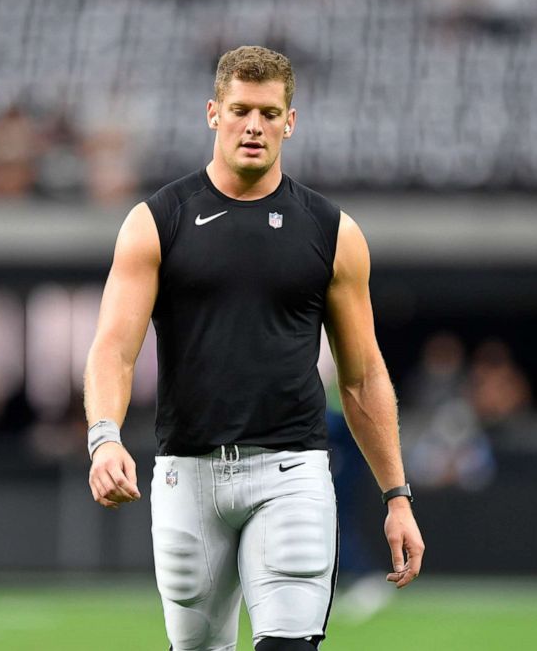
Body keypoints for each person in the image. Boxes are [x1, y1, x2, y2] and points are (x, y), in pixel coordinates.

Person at [84, 46, 424, 651]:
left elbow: (363, 375)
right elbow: (113, 347)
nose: (253, 126)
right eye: (240, 110)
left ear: (290, 121)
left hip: (290, 472)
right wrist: (104, 436)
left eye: (269, 113)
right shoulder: (157, 221)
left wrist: (397, 496)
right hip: (187, 472)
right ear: (212, 113)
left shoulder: (331, 232)